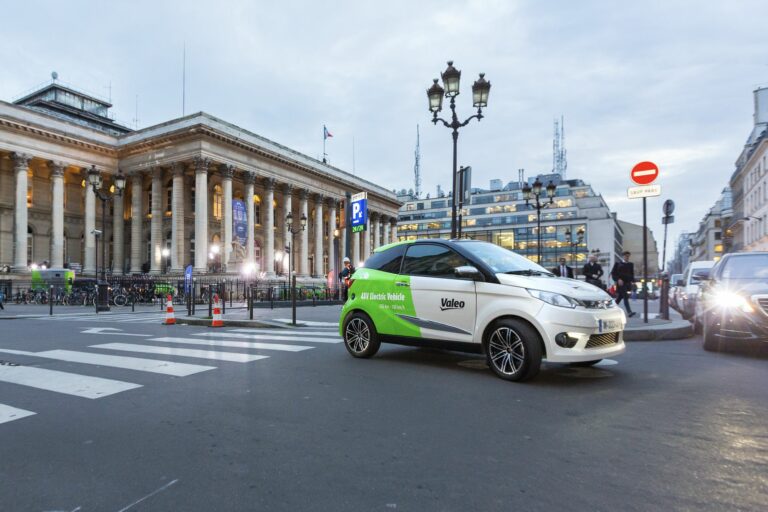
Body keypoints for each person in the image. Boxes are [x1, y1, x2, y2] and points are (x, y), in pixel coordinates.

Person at [611, 251, 636, 317]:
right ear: (623, 256)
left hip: (627, 283)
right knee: (625, 297)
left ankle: (610, 309)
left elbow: (632, 273)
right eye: (626, 256)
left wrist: (633, 281)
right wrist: (618, 279)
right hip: (621, 283)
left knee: (619, 298)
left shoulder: (631, 264)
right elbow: (613, 273)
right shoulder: (617, 264)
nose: (627, 257)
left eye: (628, 256)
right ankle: (629, 312)